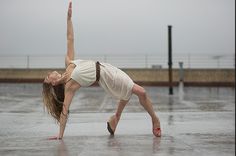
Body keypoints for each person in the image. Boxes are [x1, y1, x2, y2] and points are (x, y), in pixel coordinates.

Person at [42, 1, 161, 140]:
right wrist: (60, 135)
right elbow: (64, 111)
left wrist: (68, 19)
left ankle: (115, 120)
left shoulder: (69, 63)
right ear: (54, 83)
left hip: (107, 68)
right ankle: (155, 119)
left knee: (127, 93)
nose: (49, 74)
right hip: (106, 79)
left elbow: (70, 38)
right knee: (141, 92)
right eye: (47, 77)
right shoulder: (69, 86)